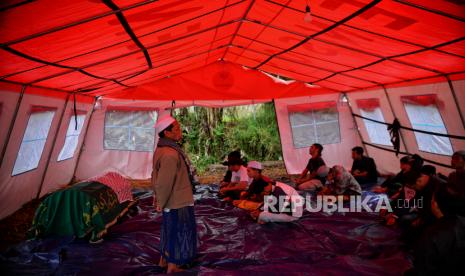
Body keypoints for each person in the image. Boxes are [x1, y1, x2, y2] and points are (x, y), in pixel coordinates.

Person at [152, 114, 197, 273]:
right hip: (177, 201)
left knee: (169, 229)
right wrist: (161, 203)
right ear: (167, 133)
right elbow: (164, 183)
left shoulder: (164, 148)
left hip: (172, 201)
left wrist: (160, 201)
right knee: (178, 230)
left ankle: (164, 260)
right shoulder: (170, 154)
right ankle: (173, 266)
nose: (180, 130)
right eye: (176, 128)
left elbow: (157, 178)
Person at [409, 151, 465, 275]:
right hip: (448, 211)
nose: (452, 161)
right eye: (452, 158)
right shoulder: (452, 176)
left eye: (456, 159)